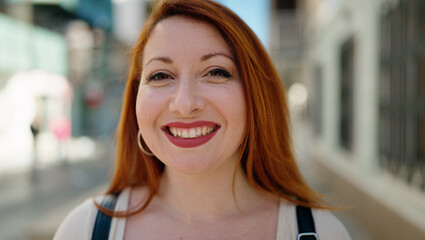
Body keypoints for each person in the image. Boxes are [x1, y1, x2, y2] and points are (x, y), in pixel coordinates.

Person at [54, 0, 351, 239]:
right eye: (160, 75)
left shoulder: (320, 232)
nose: (184, 104)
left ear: (256, 98)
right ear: (135, 101)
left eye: (216, 72)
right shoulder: (84, 230)